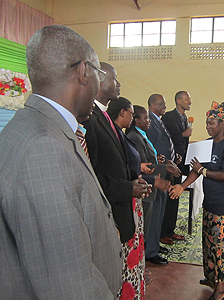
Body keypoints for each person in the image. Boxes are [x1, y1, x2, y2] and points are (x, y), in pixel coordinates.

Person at [0, 25, 123, 299]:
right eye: (97, 74)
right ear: (83, 72)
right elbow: (68, 285)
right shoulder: (44, 147)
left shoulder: (36, 126)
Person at [169, 101, 224, 300]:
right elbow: (195, 170)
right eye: (207, 123)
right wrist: (182, 186)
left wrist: (203, 169)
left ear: (223, 124)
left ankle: (221, 288)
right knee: (209, 241)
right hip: (211, 200)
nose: (208, 126)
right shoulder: (207, 144)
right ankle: (211, 278)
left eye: (212, 122)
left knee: (220, 245)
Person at [82, 62, 151, 244]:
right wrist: (128, 187)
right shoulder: (89, 117)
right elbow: (92, 175)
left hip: (119, 206)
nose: (118, 83)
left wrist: (133, 180)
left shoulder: (103, 116)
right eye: (114, 78)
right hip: (107, 210)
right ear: (99, 79)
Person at [107, 97, 148, 299]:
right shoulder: (117, 134)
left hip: (132, 192)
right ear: (122, 113)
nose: (132, 118)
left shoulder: (121, 134)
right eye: (131, 113)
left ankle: (135, 277)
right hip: (125, 195)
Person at [145, 94, 181, 265]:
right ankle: (150, 251)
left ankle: (155, 244)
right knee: (154, 213)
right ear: (152, 105)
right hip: (157, 173)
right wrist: (160, 163)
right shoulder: (150, 123)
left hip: (165, 170)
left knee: (160, 211)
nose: (164, 107)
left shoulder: (159, 120)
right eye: (161, 104)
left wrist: (172, 159)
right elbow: (150, 149)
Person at [160, 91, 193, 244]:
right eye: (187, 99)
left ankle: (170, 230)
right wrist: (183, 134)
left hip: (180, 162)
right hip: (170, 163)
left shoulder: (184, 118)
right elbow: (167, 138)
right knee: (169, 197)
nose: (190, 101)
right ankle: (163, 232)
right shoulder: (168, 117)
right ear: (178, 101)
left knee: (175, 196)